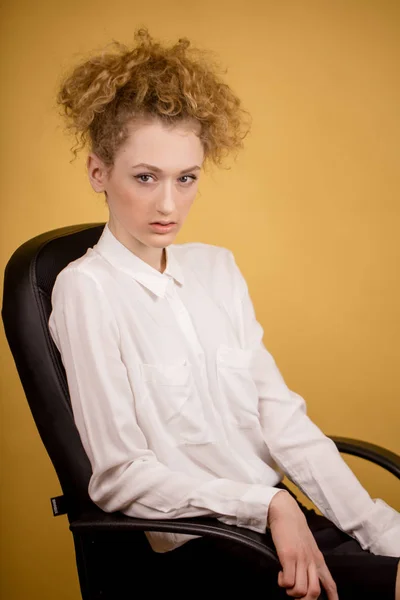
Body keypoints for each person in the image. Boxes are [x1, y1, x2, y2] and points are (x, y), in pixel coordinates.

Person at [49, 28, 400, 599]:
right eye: (145, 177)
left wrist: (382, 528)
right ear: (98, 173)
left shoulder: (217, 269)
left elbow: (282, 420)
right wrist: (265, 504)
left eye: (186, 179)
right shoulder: (85, 289)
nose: (169, 204)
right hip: (203, 545)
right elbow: (119, 477)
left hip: (281, 521)